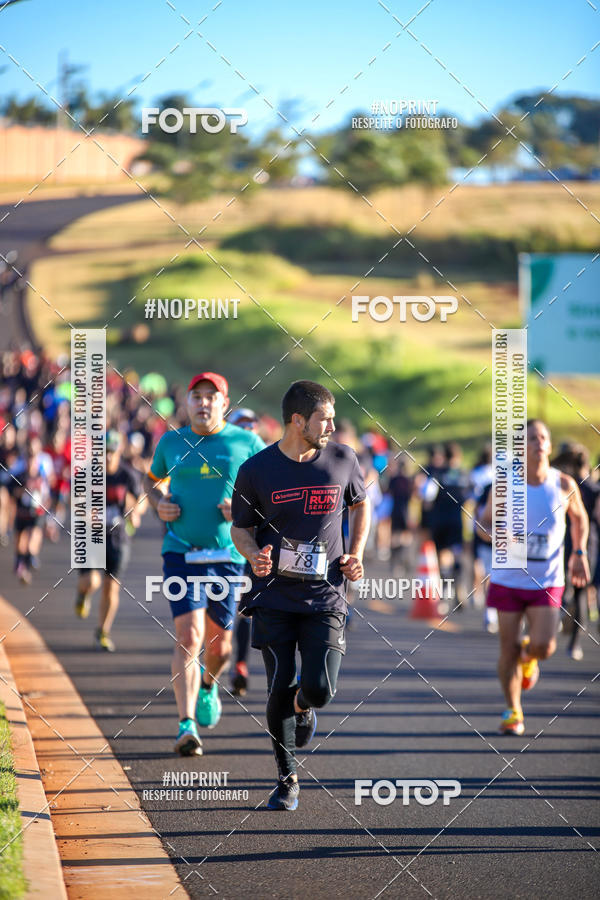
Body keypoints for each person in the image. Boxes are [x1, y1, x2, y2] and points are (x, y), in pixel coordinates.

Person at [230, 380, 370, 810]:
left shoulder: (343, 459)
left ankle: (304, 706)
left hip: (326, 594)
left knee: (320, 689)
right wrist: (253, 555)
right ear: (297, 421)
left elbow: (360, 504)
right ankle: (286, 779)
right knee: (279, 682)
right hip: (273, 595)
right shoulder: (256, 470)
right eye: (324, 419)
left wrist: (356, 552)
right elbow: (240, 528)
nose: (331, 426)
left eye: (332, 418)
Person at [143, 373, 265, 757]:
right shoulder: (171, 442)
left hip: (228, 557)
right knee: (189, 636)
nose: (203, 403)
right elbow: (151, 480)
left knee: (221, 646)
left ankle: (209, 684)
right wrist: (158, 503)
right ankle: (186, 725)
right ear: (187, 402)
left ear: (224, 404)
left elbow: (270, 491)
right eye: (196, 396)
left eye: (211, 397)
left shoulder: (247, 443)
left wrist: (245, 509)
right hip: (181, 552)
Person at [479, 420, 590, 735]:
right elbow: (482, 523)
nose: (538, 443)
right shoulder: (505, 484)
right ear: (520, 447)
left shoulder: (564, 485)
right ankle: (513, 710)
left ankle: (530, 657)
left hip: (546, 580)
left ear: (550, 446)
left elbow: (580, 519)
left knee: (545, 646)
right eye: (531, 438)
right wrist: (495, 535)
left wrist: (579, 553)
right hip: (508, 579)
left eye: (543, 437)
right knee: (507, 649)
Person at [75, 431, 142, 651]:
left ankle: (103, 632)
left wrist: (135, 511)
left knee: (111, 588)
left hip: (117, 538)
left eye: (112, 452)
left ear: (119, 451)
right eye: (103, 452)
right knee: (91, 582)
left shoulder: (127, 475)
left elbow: (140, 500)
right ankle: (82, 594)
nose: (107, 457)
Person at [227, 407, 262, 697]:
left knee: (243, 610)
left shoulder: (267, 464)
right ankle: (211, 664)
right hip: (219, 548)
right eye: (242, 425)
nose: (248, 430)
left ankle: (240, 664)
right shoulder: (222, 459)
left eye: (252, 425)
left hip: (249, 548)